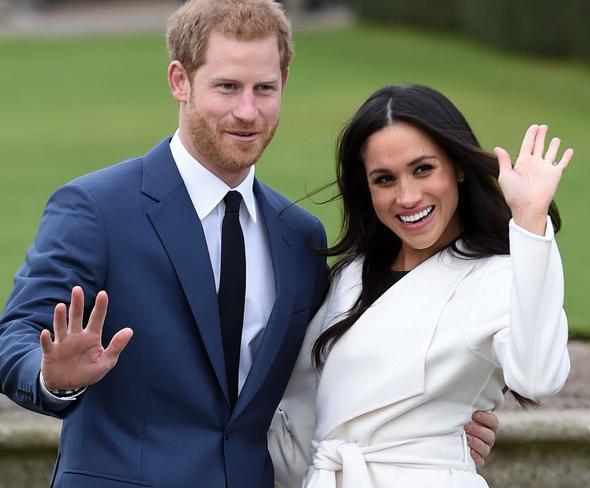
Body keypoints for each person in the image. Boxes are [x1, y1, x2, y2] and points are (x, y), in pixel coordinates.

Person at [0, 2, 497, 487]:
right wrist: (53, 378)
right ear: (180, 80)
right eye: (227, 87)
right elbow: (15, 335)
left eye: (264, 89)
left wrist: (430, 423)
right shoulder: (97, 207)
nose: (247, 111)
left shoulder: (299, 236)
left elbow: (319, 378)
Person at [268, 84, 572, 488]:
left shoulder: (495, 276)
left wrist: (530, 222)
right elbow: (302, 413)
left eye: (423, 169)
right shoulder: (350, 276)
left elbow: (539, 377)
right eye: (385, 179)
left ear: (458, 166)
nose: (408, 196)